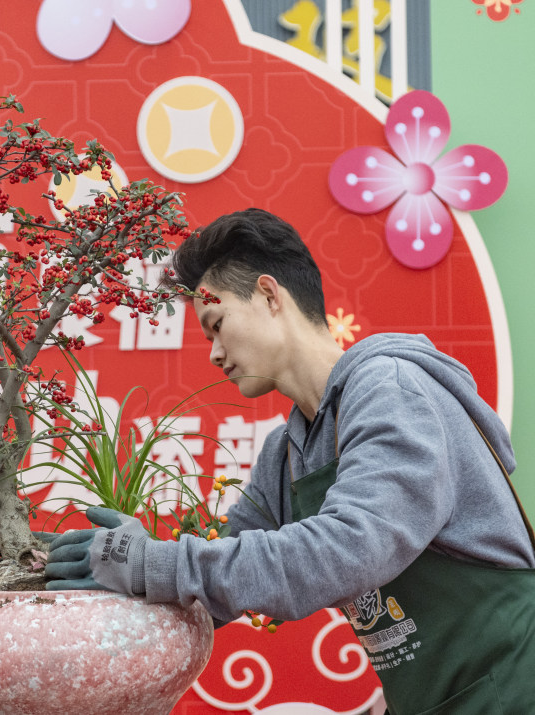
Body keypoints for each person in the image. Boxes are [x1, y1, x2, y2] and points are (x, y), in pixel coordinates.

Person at [43, 208, 535, 714]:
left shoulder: (391, 387)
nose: (213, 353)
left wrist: (153, 562)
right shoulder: (287, 455)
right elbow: (214, 584)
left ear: (270, 294)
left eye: (217, 324)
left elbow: (348, 550)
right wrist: (67, 584)